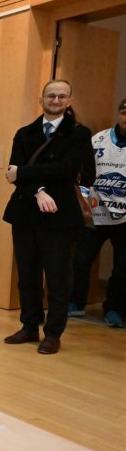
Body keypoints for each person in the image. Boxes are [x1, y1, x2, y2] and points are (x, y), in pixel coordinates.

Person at [2, 79, 93, 354]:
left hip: (61, 217)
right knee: (27, 275)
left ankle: (53, 333)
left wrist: (25, 175)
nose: (56, 100)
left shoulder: (79, 133)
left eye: (62, 96)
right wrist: (39, 191)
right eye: (51, 96)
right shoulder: (25, 133)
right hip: (26, 213)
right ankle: (30, 326)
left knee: (57, 276)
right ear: (41, 100)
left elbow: (67, 169)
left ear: (69, 101)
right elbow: (12, 173)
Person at [68, 97, 126, 328]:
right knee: (81, 259)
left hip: (124, 217)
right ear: (119, 114)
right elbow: (80, 172)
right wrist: (83, 201)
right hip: (95, 211)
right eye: (124, 112)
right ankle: (76, 302)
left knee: (123, 266)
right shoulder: (97, 140)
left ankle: (113, 308)